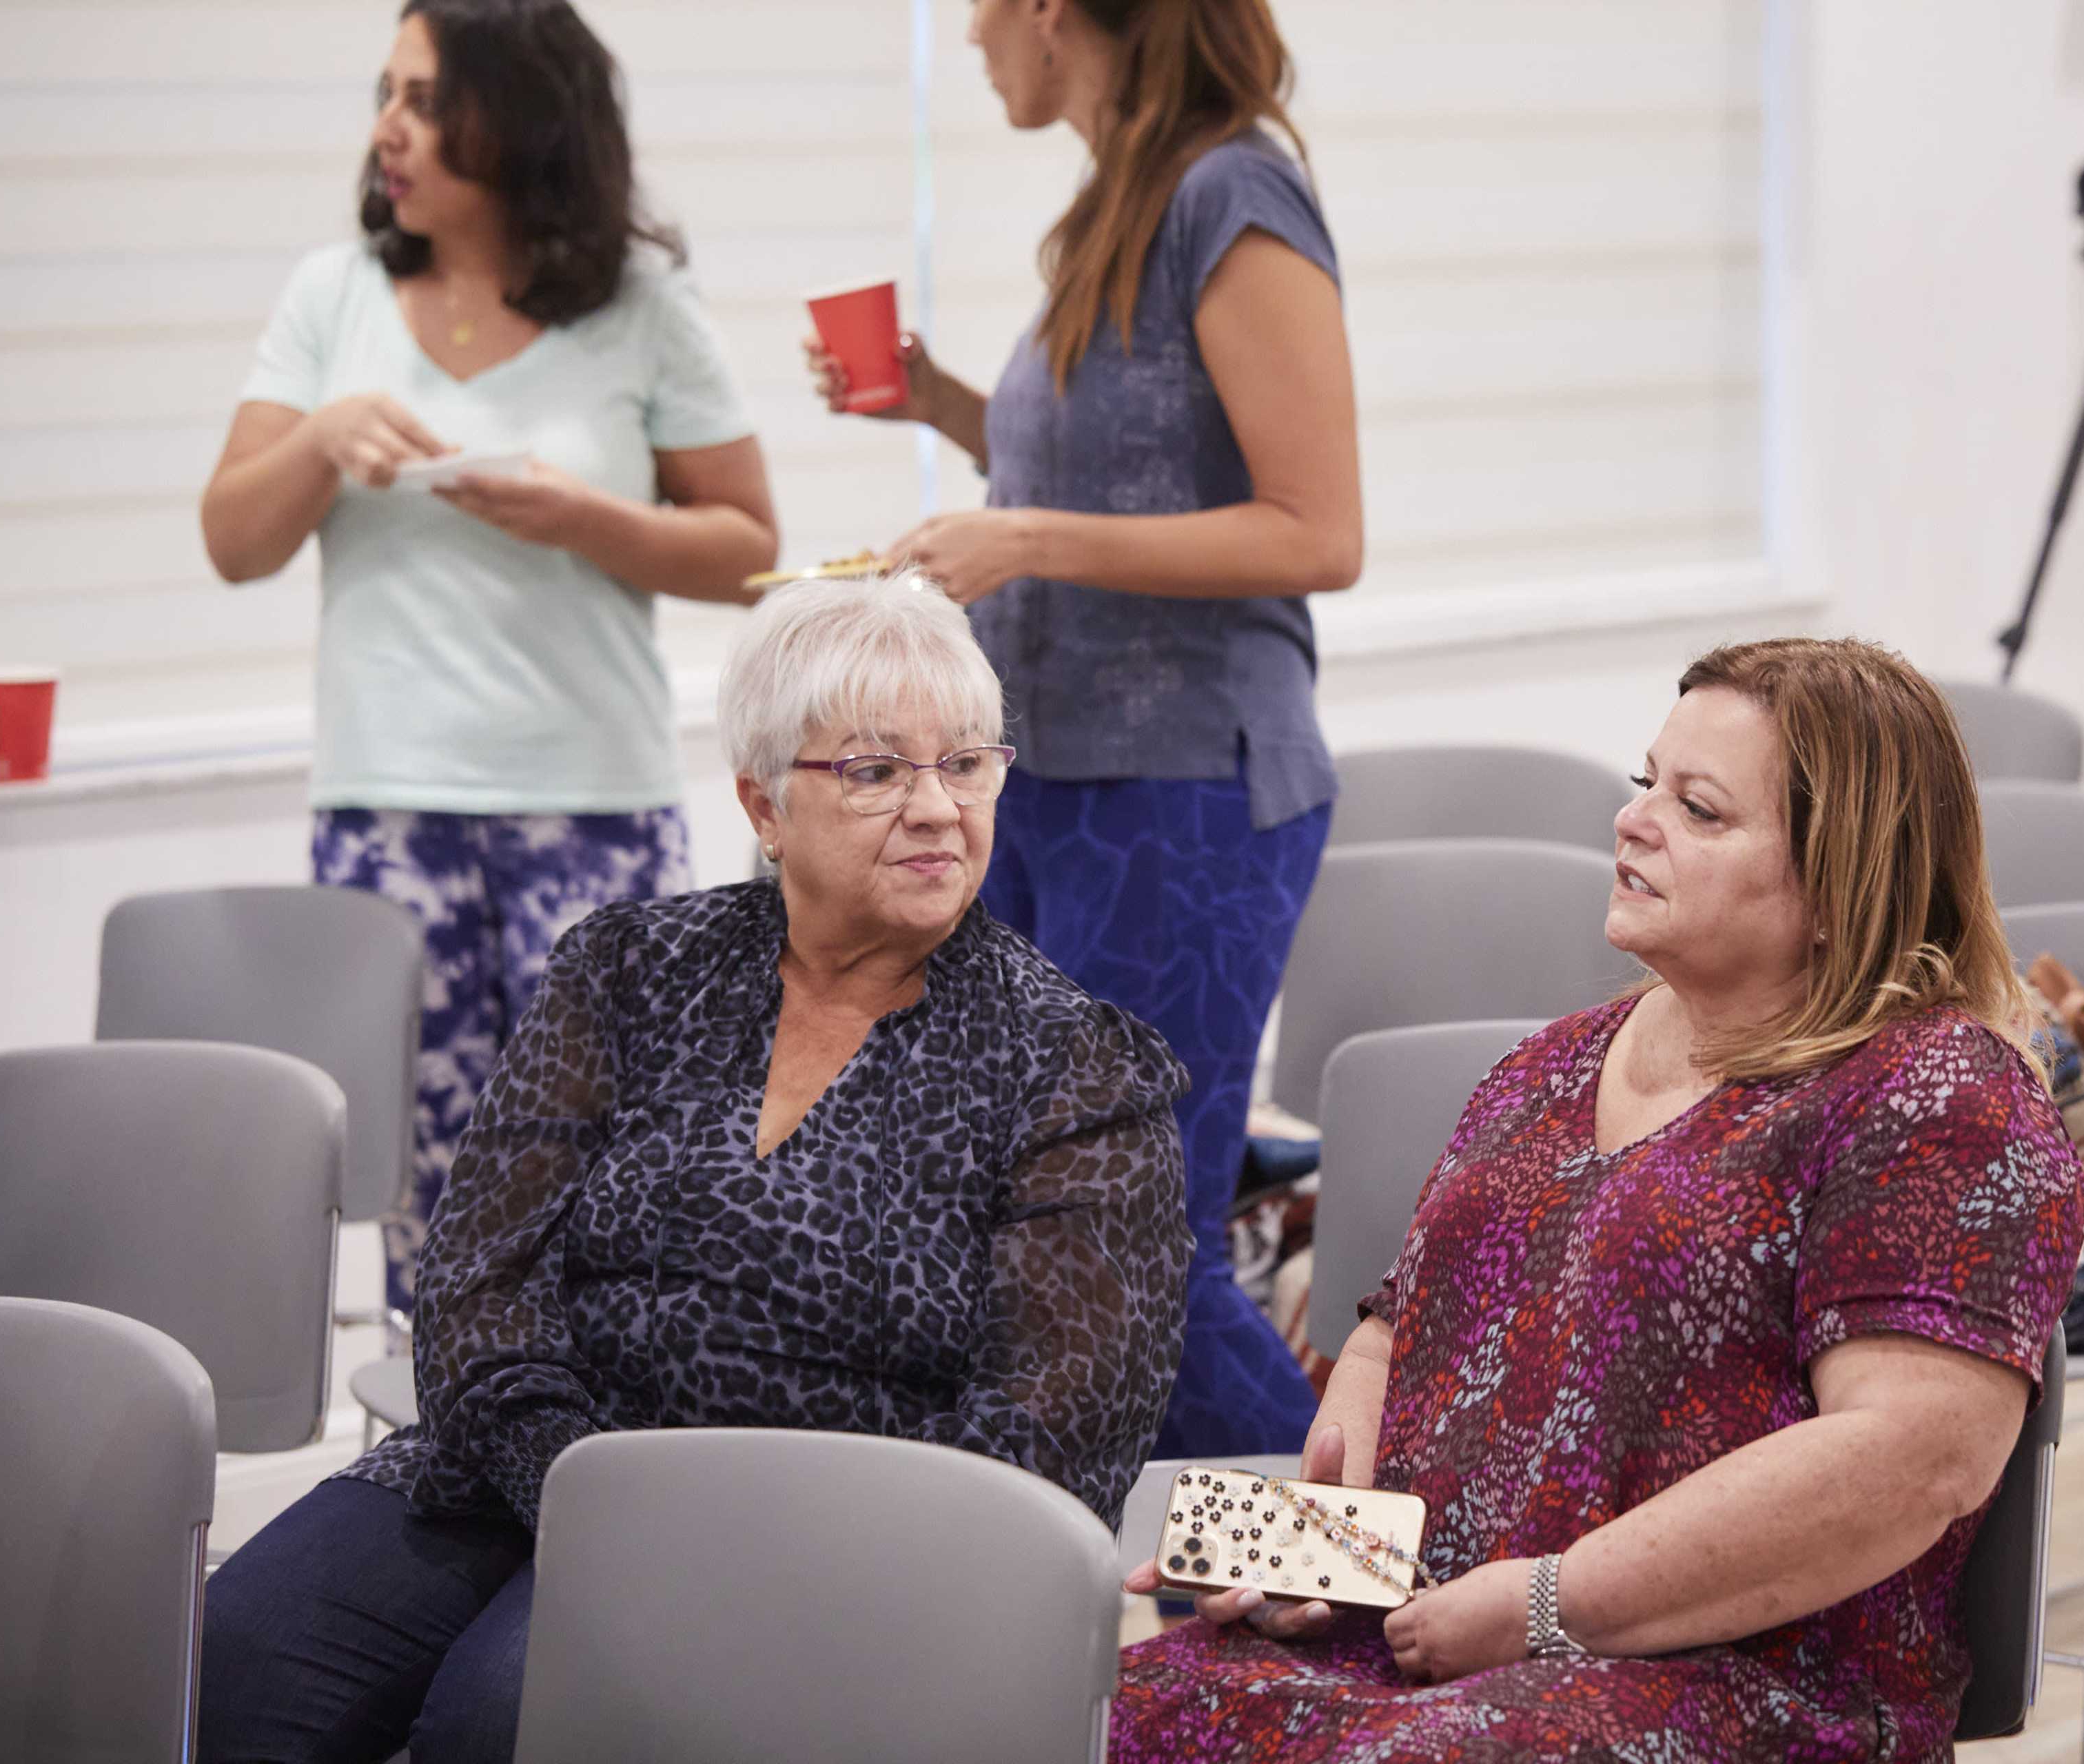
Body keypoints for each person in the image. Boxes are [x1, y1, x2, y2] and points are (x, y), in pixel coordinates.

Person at [196, 571, 1192, 1764]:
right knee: (232, 1666)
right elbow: (476, 1283)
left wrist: (704, 1537)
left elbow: (1055, 1446)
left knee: (497, 1725)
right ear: (762, 806)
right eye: (875, 772)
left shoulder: (1076, 1065)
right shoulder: (631, 968)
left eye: (967, 764)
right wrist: (576, 1488)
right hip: (522, 1476)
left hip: (817, 1541)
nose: (937, 809)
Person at [1112, 637, 2084, 1763]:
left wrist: (1544, 1606)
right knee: (1086, 1719)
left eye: (1702, 811)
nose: (1634, 823)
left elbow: (1909, 1463)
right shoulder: (1552, 1064)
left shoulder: (1939, 1095)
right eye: (1646, 786)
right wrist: (1321, 1564)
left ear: (1841, 879)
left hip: (1739, 1683)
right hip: (1426, 1638)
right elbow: (1395, 1338)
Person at [804, 0, 1360, 1459]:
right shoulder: (1121, 198)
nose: (972, 35)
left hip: (1185, 794)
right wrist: (937, 404)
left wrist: (1026, 535)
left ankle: (1374, 1577)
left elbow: (1317, 528)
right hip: (1053, 783)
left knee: (1125, 1247)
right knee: (1046, 1235)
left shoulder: (1233, 190)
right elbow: (1138, 468)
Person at [198, 0, 779, 1319]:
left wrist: (583, 519)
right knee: (433, 1193)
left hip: (598, 815)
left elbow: (747, 549)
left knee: (617, 1174)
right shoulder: (330, 295)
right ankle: (451, 1477)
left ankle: (598, 1477)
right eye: (383, 94)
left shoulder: (643, 306)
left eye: (422, 99)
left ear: (517, 120)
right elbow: (234, 541)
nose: (386, 130)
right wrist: (324, 437)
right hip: (390, 815)